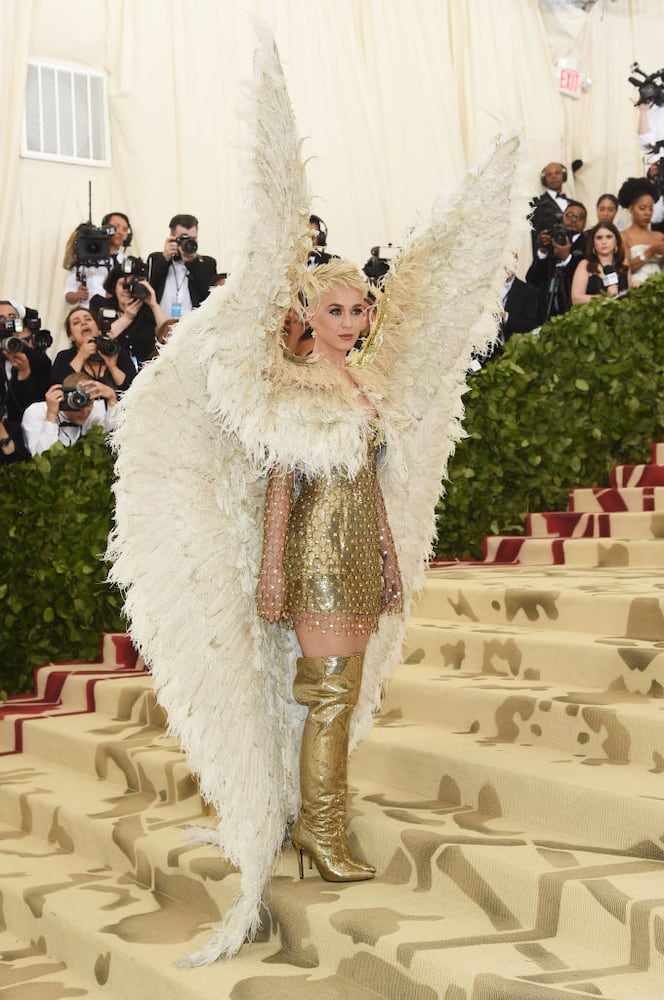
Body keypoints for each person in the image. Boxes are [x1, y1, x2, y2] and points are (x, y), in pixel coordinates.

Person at [107, 27, 521, 965]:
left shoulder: (364, 386)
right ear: (306, 313)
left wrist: (384, 547)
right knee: (327, 694)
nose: (354, 318)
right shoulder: (290, 388)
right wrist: (266, 572)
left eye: (361, 307)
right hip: (306, 557)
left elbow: (376, 479)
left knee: (330, 695)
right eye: (336, 308)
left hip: (355, 552)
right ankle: (319, 833)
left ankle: (314, 818)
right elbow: (284, 485)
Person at [22, 373, 117, 456]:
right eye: (78, 405)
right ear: (66, 399)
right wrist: (51, 416)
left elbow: (112, 445)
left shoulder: (95, 410)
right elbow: (40, 457)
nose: (85, 411)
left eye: (89, 403)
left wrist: (112, 400)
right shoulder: (36, 412)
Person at [90, 264, 167, 367]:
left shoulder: (147, 309)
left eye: (131, 286)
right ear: (114, 286)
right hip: (110, 371)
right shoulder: (101, 304)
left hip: (144, 369)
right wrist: (127, 318)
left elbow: (166, 336)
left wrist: (153, 304)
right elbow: (98, 339)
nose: (127, 290)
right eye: (123, 285)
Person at [526, 201, 588, 323]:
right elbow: (532, 279)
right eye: (570, 215)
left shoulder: (588, 243)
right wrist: (543, 251)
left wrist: (566, 257)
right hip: (547, 311)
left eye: (579, 217)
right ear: (563, 217)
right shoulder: (553, 239)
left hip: (574, 311)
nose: (574, 220)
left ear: (585, 222)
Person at [145, 214, 217, 318]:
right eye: (184, 238)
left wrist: (193, 262)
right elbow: (149, 287)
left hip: (192, 327)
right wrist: (165, 258)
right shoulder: (156, 259)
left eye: (193, 239)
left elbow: (207, 296)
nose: (188, 243)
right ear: (172, 237)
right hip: (160, 326)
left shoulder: (207, 263)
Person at [50, 308, 136, 394]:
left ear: (98, 329)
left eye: (88, 319)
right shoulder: (64, 357)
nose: (83, 323)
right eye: (76, 322)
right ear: (71, 336)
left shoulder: (115, 351)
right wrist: (80, 357)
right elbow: (58, 390)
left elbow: (133, 390)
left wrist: (112, 367)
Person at [63, 212, 133, 309]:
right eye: (116, 227)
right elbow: (67, 296)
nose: (120, 232)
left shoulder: (128, 262)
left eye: (125, 230)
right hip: (90, 315)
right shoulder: (86, 259)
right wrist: (77, 295)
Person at [617, 177, 664, 286]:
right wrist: (649, 253)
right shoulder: (624, 236)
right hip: (637, 289)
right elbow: (624, 270)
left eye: (651, 208)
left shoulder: (659, 236)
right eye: (642, 208)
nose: (647, 213)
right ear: (631, 209)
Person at [571, 222, 631, 305]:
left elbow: (630, 294)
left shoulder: (624, 262)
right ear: (593, 243)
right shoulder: (585, 265)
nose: (604, 242)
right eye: (599, 238)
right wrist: (605, 297)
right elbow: (576, 299)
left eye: (609, 237)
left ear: (616, 241)